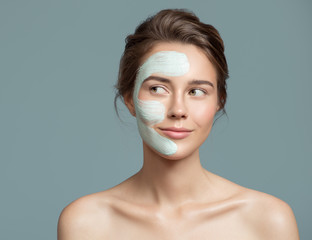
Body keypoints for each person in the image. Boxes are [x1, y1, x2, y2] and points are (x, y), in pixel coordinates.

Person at [58, 9, 299, 239]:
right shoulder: (86, 223)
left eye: (196, 91)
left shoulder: (268, 220)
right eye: (158, 89)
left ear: (219, 101)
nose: (178, 110)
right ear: (129, 98)